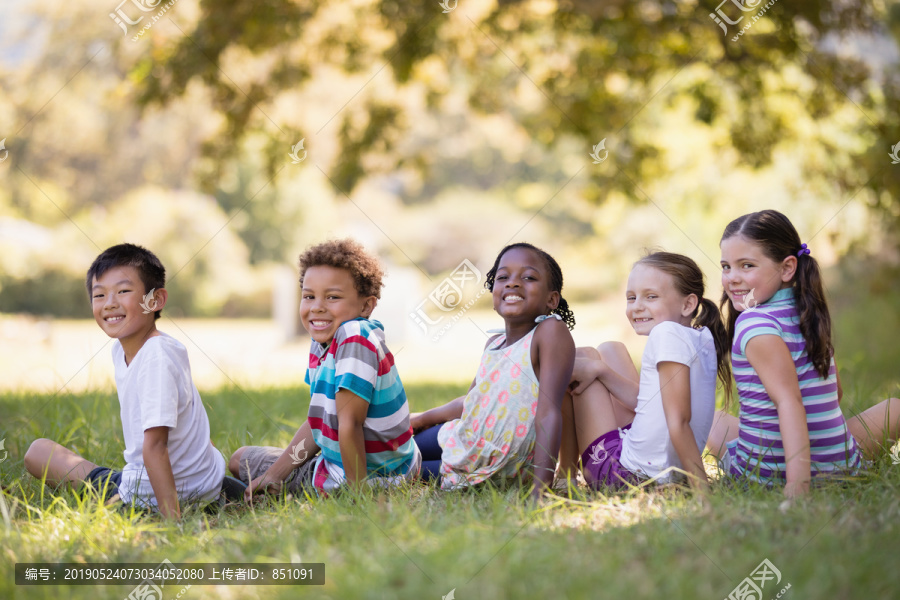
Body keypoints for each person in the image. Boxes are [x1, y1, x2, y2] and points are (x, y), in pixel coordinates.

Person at [24, 243, 230, 518]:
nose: (110, 303)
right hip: (205, 484)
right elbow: (193, 425)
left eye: (123, 291)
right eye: (99, 295)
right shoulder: (134, 349)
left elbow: (155, 446)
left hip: (153, 497)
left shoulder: (156, 355)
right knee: (44, 452)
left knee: (38, 453)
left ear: (155, 300)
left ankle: (134, 498)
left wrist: (173, 522)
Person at [707, 210, 900, 498]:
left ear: (787, 268)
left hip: (769, 476)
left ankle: (797, 478)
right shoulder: (808, 313)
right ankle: (832, 461)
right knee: (895, 406)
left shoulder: (754, 322)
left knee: (711, 418)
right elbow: (833, 395)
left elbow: (790, 402)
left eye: (746, 265)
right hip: (842, 466)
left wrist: (797, 487)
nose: (732, 278)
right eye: (726, 267)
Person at [232, 239, 420, 500]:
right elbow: (320, 421)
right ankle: (277, 477)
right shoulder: (325, 339)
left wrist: (358, 496)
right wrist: (276, 473)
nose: (317, 306)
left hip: (363, 478)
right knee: (260, 465)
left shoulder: (354, 336)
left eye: (332, 297)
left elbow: (349, 423)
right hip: (398, 465)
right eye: (309, 296)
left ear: (366, 306)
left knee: (238, 459)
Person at [411, 242, 576, 501]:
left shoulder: (549, 332)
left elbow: (549, 412)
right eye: (502, 277)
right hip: (465, 438)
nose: (512, 283)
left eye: (529, 277)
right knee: (391, 445)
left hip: (493, 462)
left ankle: (336, 468)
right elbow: (473, 404)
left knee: (397, 467)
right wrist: (422, 419)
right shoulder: (494, 344)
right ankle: (331, 453)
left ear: (551, 299)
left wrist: (540, 489)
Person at [557, 251, 731, 491]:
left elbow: (679, 420)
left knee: (579, 361)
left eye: (651, 296)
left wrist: (701, 489)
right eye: (631, 298)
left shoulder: (665, 334)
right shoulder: (702, 336)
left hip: (622, 476)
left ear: (688, 303)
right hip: (660, 468)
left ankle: (564, 475)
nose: (637, 307)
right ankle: (565, 473)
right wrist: (600, 369)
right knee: (611, 348)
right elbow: (652, 404)